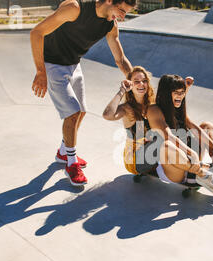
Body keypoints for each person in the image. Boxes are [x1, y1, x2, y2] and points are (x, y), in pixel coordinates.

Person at [30, 0, 136, 186]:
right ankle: (71, 163)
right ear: (109, 1)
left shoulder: (110, 25)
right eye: (121, 10)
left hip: (74, 64)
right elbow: (37, 32)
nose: (121, 16)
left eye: (125, 13)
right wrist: (40, 71)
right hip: (52, 64)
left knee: (82, 111)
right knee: (73, 113)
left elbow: (120, 59)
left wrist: (138, 82)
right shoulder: (75, 9)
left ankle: (64, 150)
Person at [103, 67, 213, 194]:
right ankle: (203, 171)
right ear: (131, 85)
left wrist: (183, 89)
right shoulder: (127, 109)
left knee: (186, 131)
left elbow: (169, 101)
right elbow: (108, 115)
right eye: (136, 81)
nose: (141, 84)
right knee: (162, 138)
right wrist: (121, 91)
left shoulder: (152, 104)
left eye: (144, 80)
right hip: (138, 159)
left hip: (156, 154)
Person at [147, 74, 213, 190]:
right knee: (167, 145)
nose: (180, 95)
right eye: (176, 92)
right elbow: (168, 136)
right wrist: (192, 154)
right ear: (166, 93)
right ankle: (204, 173)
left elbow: (194, 127)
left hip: (189, 161)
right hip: (172, 168)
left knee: (207, 126)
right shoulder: (154, 110)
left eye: (182, 92)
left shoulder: (177, 107)